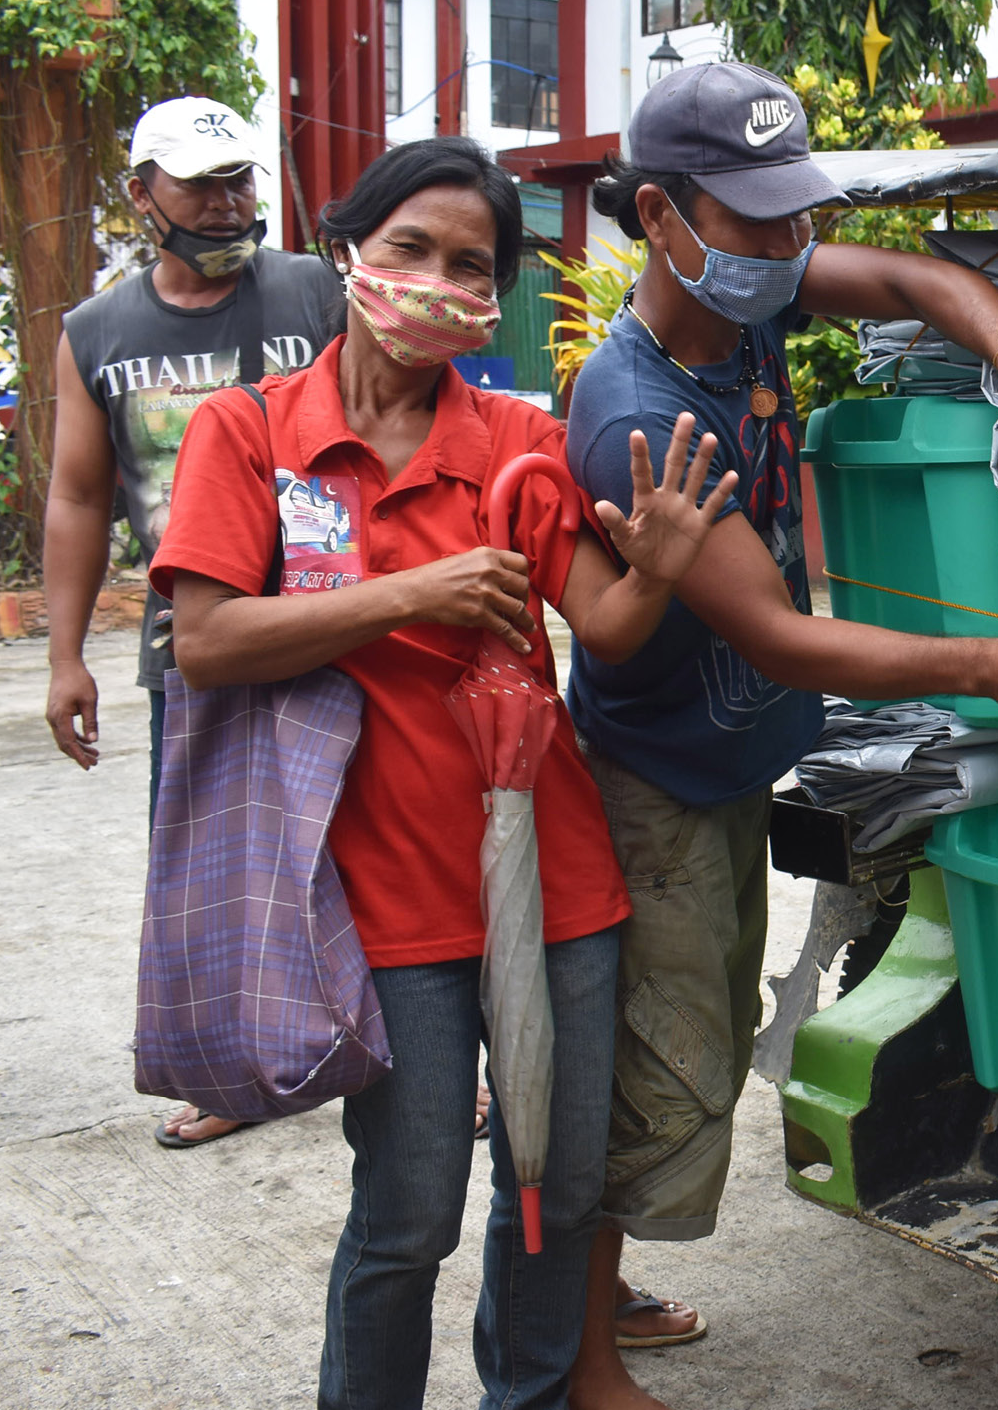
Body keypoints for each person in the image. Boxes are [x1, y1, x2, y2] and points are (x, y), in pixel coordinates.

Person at [557, 62, 998, 1409]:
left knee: (677, 1036)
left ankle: (596, 1294)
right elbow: (778, 635)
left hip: (728, 765)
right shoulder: (636, 409)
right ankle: (572, 1357)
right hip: (653, 785)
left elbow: (925, 282)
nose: (786, 244)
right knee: (654, 1063)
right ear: (661, 217)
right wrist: (988, 665)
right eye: (750, 221)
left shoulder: (746, 294)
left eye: (793, 215)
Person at [152, 135, 732, 1410]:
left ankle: (524, 1394)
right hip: (386, 899)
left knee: (554, 1192)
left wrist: (660, 569)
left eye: (471, 264)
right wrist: (412, 589)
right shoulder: (249, 436)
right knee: (407, 1212)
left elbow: (609, 626)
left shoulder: (518, 438)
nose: (435, 281)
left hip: (558, 886)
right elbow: (206, 640)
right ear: (348, 251)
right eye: (409, 246)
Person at [43, 96, 344, 1149]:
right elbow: (80, 496)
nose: (227, 206)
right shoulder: (99, 333)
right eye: (200, 186)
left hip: (338, 626)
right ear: (142, 196)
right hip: (196, 650)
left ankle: (435, 1056)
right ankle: (234, 1070)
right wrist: (65, 655)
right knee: (218, 870)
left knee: (377, 842)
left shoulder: (315, 287)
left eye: (240, 181)